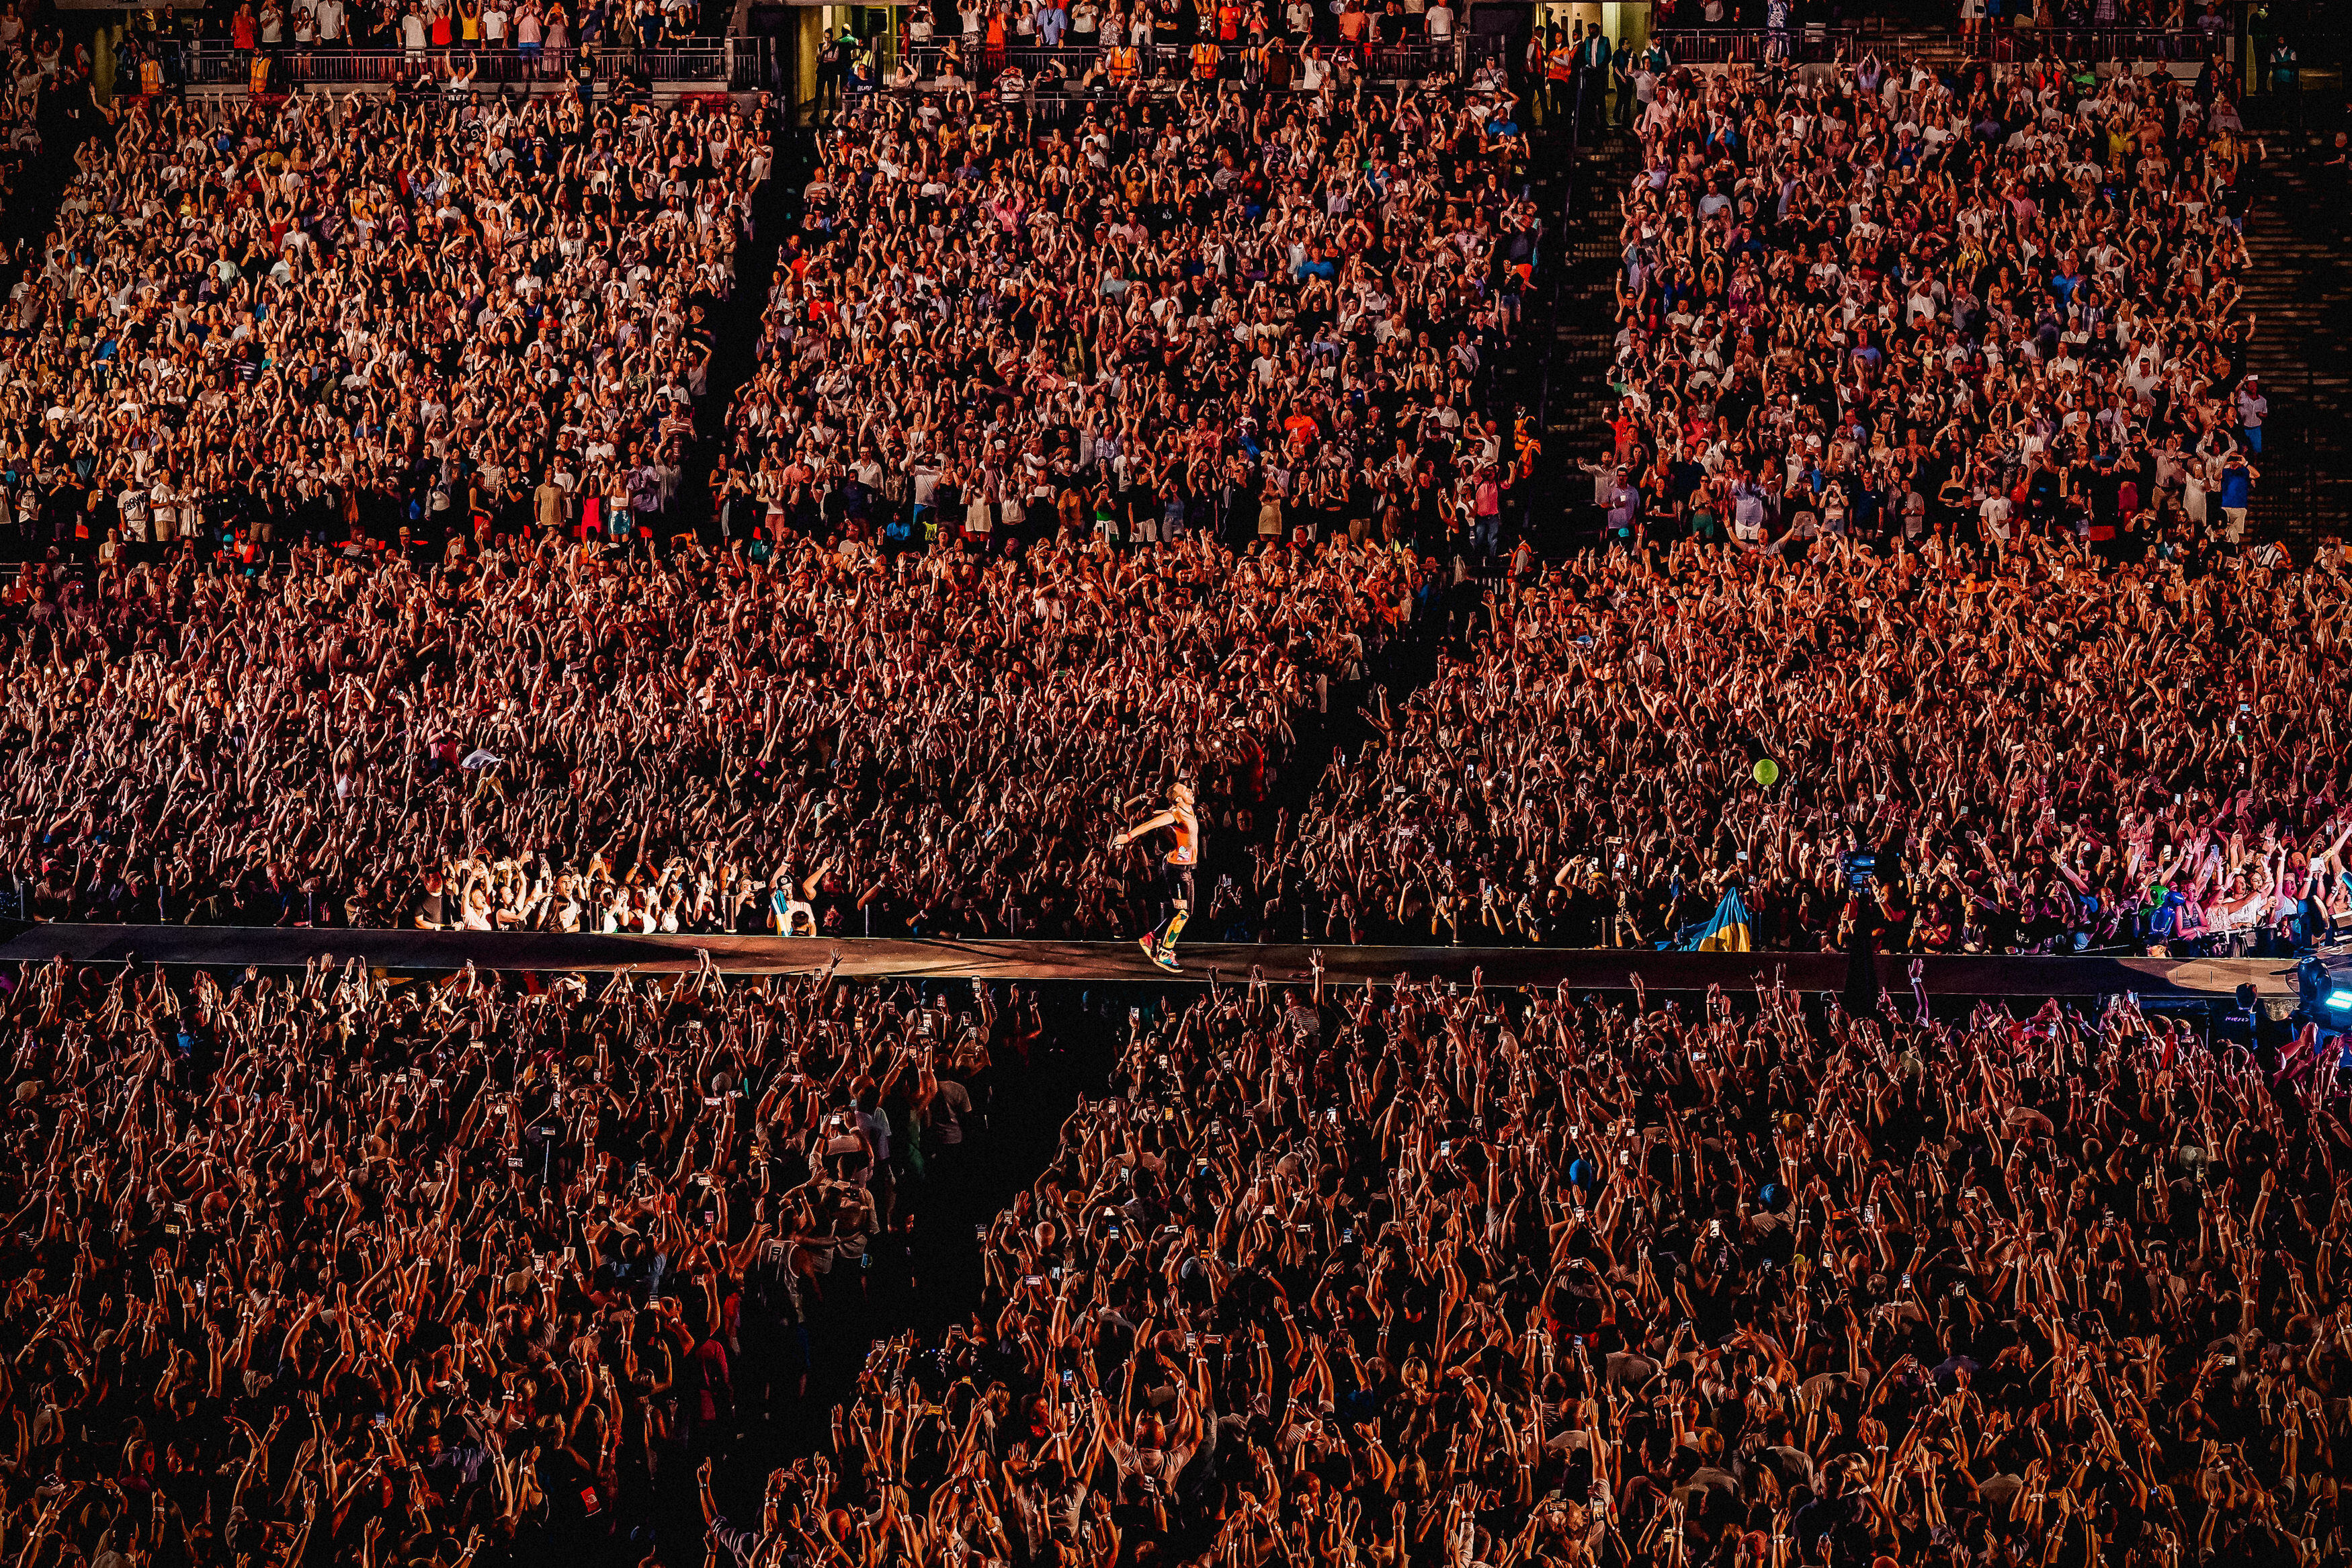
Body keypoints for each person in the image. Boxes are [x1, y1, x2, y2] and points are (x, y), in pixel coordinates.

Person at [1111, 782, 1201, 970]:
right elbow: (1150, 825)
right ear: (1178, 798)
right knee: (1183, 913)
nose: (1190, 790)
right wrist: (1127, 837)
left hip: (1185, 868)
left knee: (1179, 912)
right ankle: (1165, 953)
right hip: (1178, 871)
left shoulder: (1185, 810)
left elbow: (1154, 815)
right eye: (1185, 790)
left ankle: (1150, 939)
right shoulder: (1174, 814)